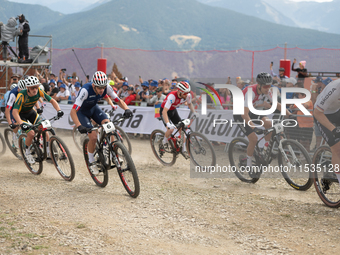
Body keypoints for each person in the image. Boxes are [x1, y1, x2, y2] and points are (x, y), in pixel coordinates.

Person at [70, 71, 132, 175]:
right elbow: (73, 111)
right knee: (93, 137)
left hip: (94, 109)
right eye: (99, 87)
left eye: (103, 87)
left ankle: (113, 153)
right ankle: (91, 161)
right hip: (82, 113)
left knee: (110, 127)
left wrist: (127, 109)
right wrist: (79, 126)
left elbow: (117, 99)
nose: (102, 90)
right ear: (93, 85)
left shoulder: (106, 87)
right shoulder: (85, 90)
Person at [234, 72, 291, 167]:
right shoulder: (250, 92)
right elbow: (244, 114)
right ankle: (248, 165)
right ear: (259, 85)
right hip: (240, 114)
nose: (268, 88)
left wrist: (289, 114)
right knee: (254, 139)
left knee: (268, 123)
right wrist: (253, 127)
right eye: (265, 86)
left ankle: (265, 150)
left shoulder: (267, 91)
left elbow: (276, 104)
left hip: (250, 111)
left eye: (269, 86)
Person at [12, 76, 63, 164]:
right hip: (21, 115)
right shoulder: (22, 95)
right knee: (31, 134)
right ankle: (27, 153)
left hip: (31, 112)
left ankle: (47, 151)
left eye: (36, 87)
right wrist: (21, 123)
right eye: (32, 88)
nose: (35, 89)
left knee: (45, 128)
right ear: (27, 88)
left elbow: (52, 101)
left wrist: (59, 110)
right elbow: (15, 111)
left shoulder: (39, 91)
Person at [160, 81, 197, 158]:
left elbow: (190, 104)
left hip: (173, 111)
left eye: (187, 93)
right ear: (179, 92)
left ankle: (183, 150)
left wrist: (194, 112)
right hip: (165, 111)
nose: (186, 95)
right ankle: (164, 143)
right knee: (170, 130)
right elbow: (164, 111)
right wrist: (168, 124)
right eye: (185, 93)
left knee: (182, 130)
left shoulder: (187, 95)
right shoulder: (172, 96)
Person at [313, 78, 340, 185]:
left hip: (336, 111)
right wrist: (333, 129)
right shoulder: (335, 87)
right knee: (337, 149)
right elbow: (318, 112)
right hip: (321, 114)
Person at [5, 79, 29, 147]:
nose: (23, 92)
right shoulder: (13, 93)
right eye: (21, 91)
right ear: (18, 88)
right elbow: (7, 110)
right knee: (16, 124)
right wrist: (10, 123)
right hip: (13, 108)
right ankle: (14, 138)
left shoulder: (27, 91)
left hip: (21, 107)